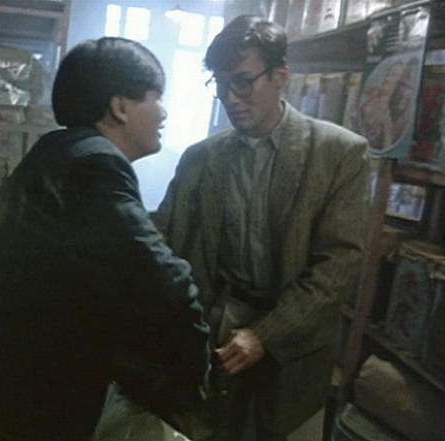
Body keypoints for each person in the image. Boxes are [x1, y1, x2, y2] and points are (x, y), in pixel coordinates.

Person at [0, 37, 211, 441]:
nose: (163, 112)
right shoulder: (94, 166)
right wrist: (199, 381)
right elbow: (164, 283)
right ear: (120, 107)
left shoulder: (61, 152)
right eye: (155, 97)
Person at [154, 16, 371, 441]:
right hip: (215, 330)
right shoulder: (200, 157)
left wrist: (265, 336)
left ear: (280, 76)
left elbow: (337, 264)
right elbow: (162, 238)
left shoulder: (338, 153)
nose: (230, 98)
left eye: (242, 82)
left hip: (294, 340)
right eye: (220, 85)